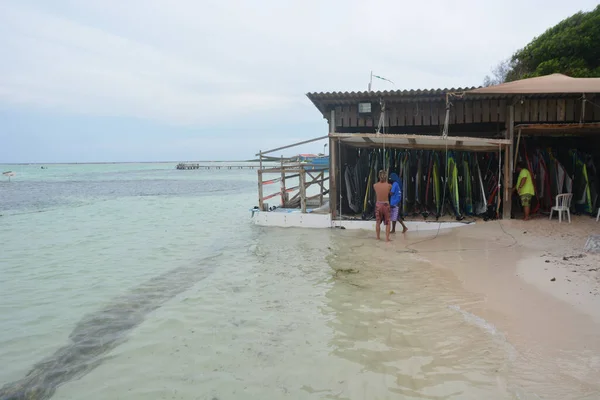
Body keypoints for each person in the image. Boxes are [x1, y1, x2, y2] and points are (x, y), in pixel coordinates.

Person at [373, 170, 392, 241]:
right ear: (386, 177)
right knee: (388, 222)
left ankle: (378, 237)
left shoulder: (375, 185)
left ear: (379, 176)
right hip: (386, 205)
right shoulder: (389, 185)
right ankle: (387, 238)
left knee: (378, 222)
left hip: (378, 205)